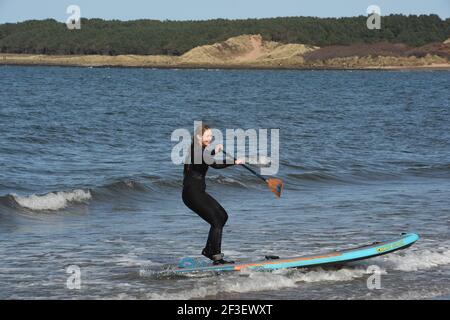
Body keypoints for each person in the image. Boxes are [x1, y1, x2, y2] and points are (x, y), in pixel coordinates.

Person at [182, 124, 243, 265]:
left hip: (197, 192)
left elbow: (206, 157)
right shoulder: (196, 150)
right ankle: (215, 256)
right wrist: (234, 162)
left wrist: (214, 151)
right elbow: (214, 164)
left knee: (222, 216)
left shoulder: (200, 150)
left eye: (211, 136)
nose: (210, 138)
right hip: (192, 194)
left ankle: (210, 250)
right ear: (199, 136)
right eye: (207, 136)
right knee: (217, 220)